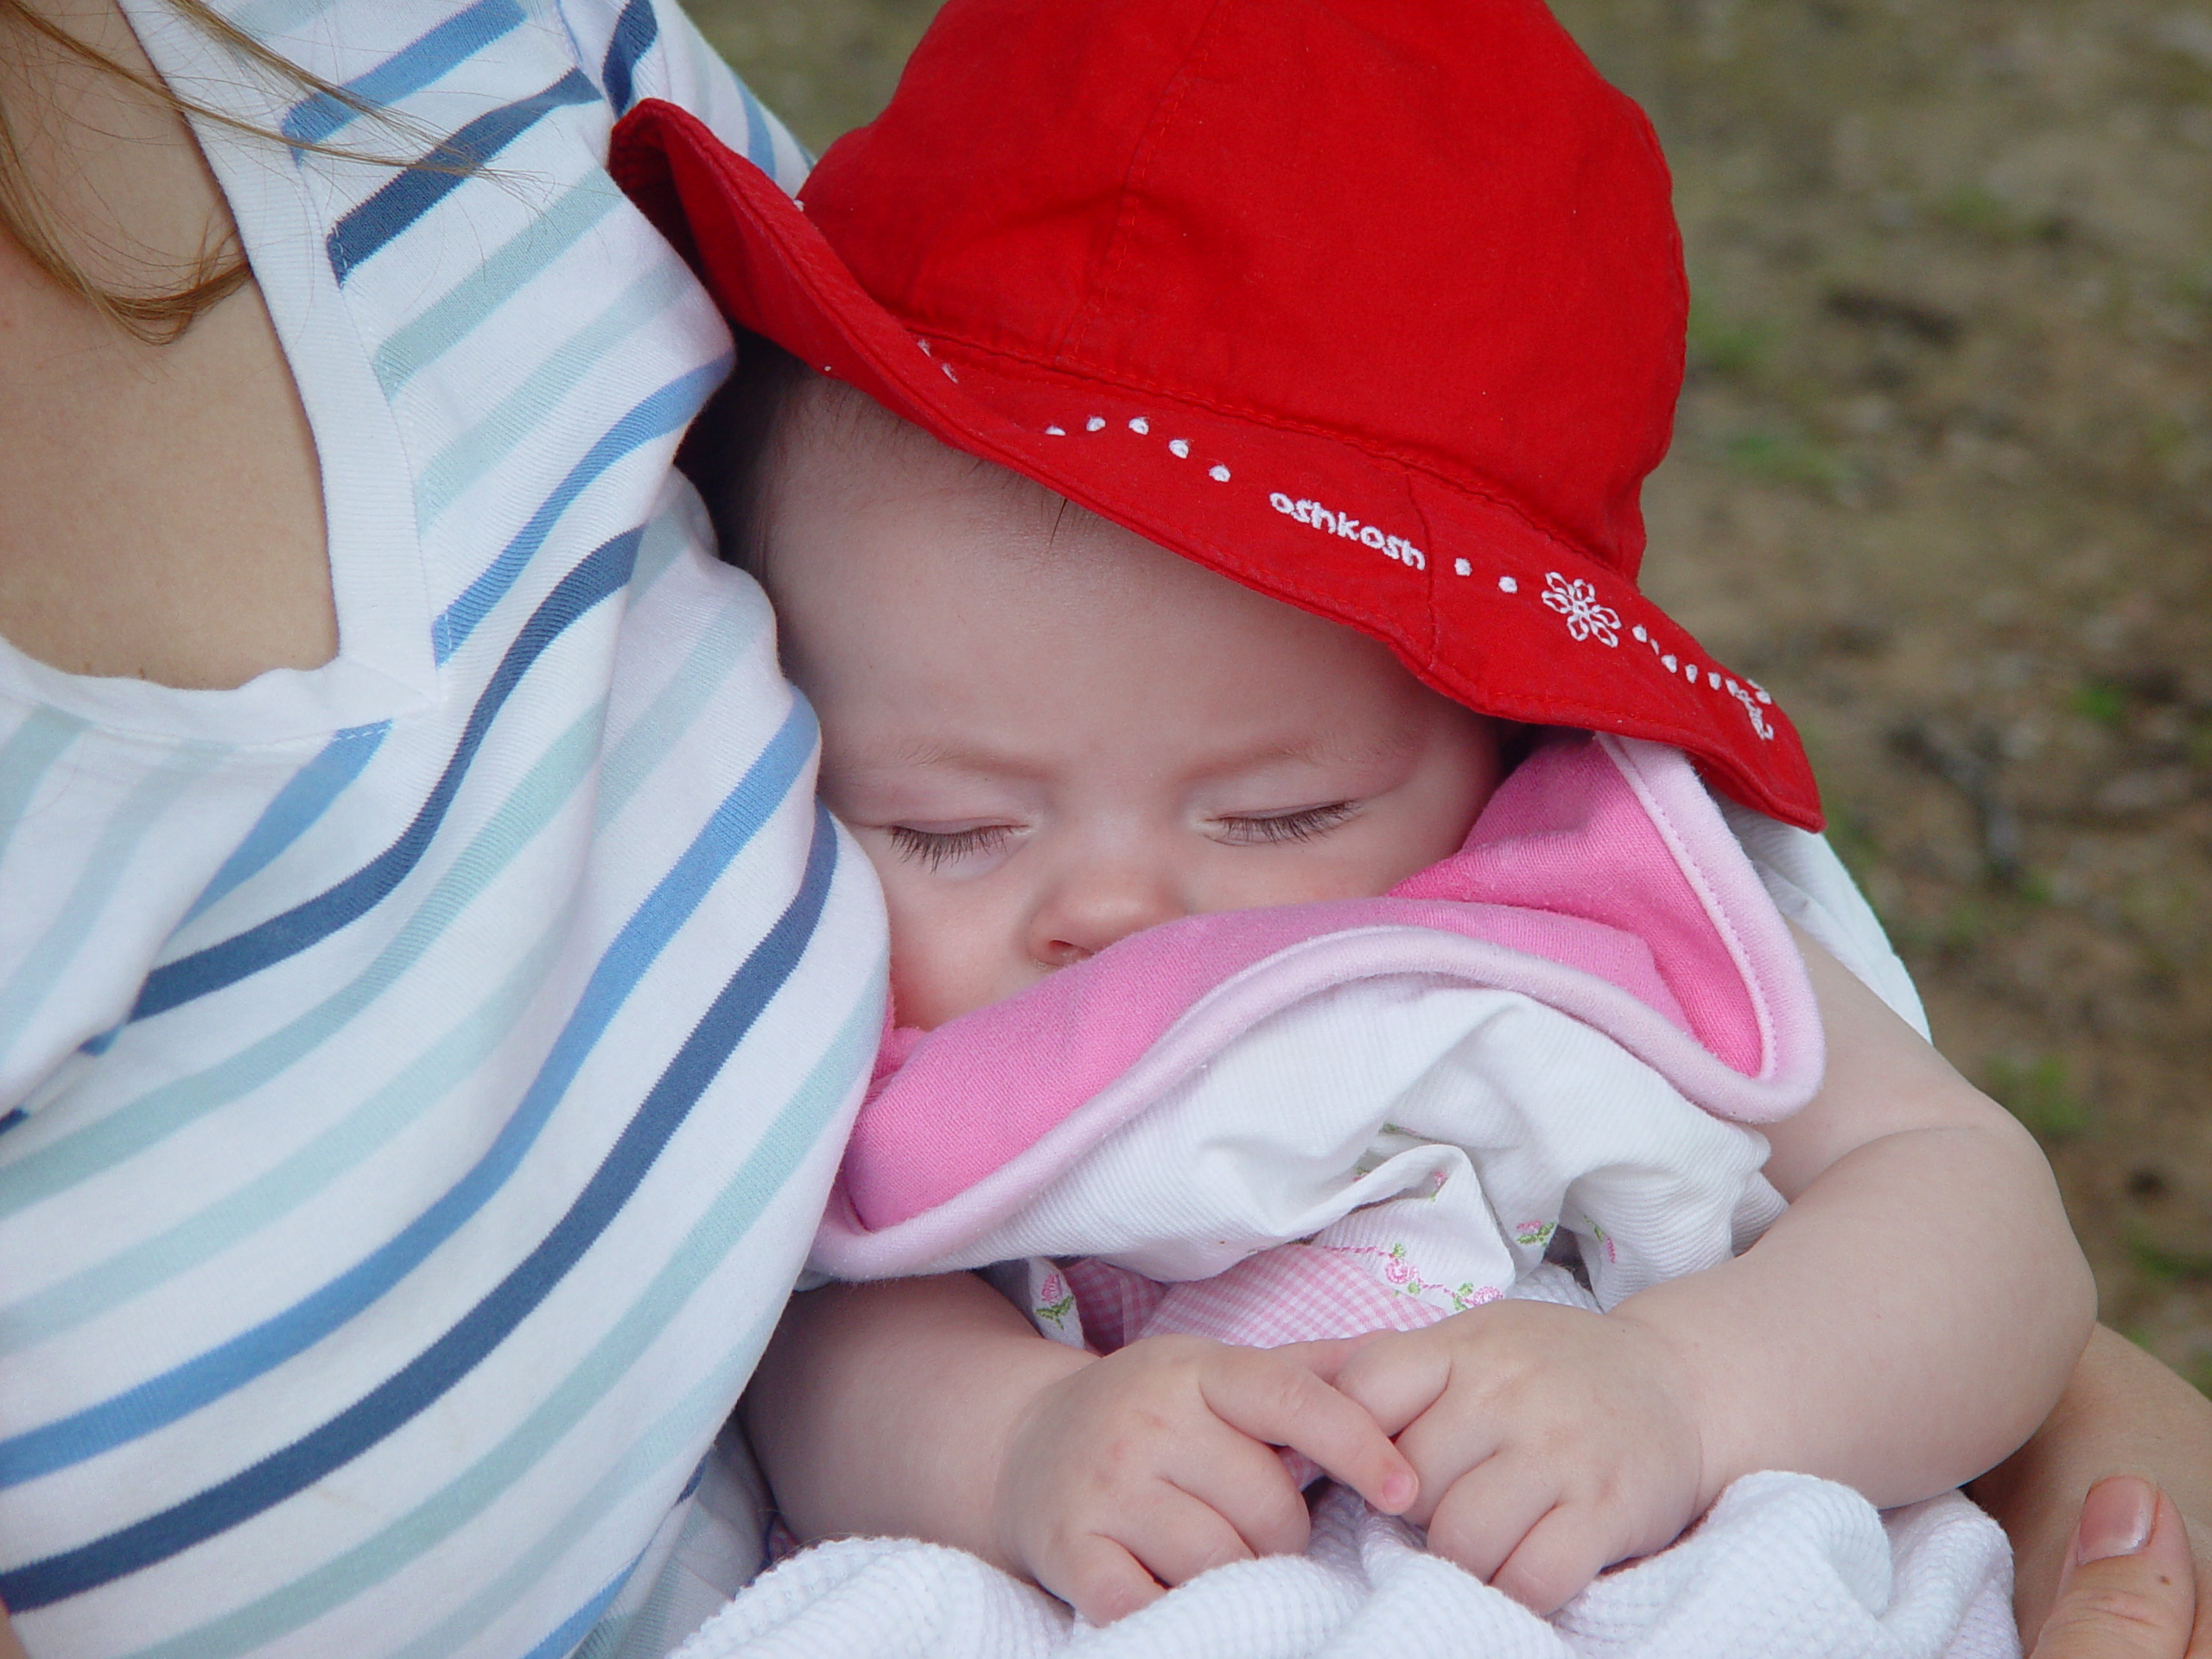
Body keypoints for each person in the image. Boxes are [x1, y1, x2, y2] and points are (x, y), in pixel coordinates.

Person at [0, 3, 2204, 1658]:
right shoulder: (886, 1056)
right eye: (944, 826)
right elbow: (823, 1329)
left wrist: (1689, 1382)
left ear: (1501, 728)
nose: (1111, 913)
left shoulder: (1582, 896)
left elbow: (1968, 1212)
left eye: (1280, 808)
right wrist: (1010, 1442)